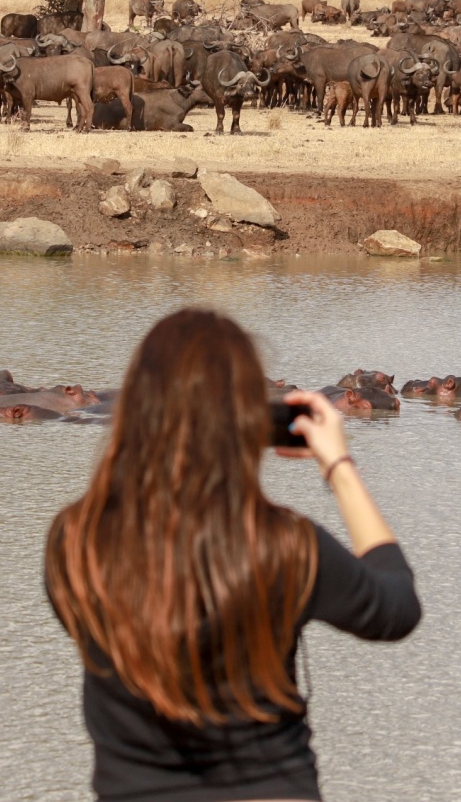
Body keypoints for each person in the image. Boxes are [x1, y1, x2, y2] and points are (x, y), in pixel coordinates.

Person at [45, 308, 421, 802]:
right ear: (252, 419)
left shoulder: (78, 540)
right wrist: (338, 464)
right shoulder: (285, 544)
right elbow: (395, 610)